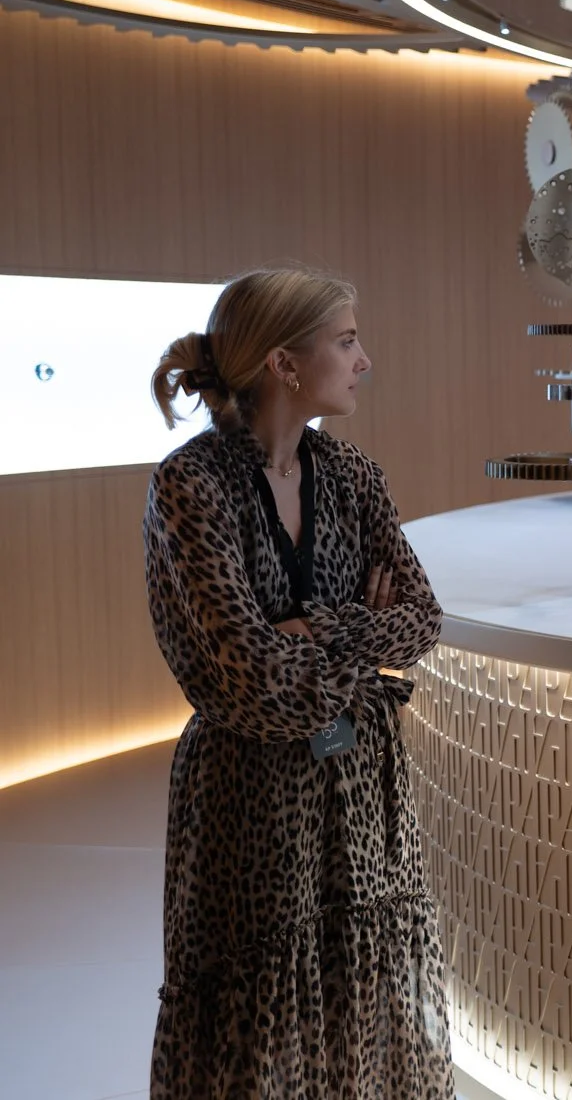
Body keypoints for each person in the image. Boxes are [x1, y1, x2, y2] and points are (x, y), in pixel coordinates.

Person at [143, 269, 451, 1097]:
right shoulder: (190, 486)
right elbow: (247, 681)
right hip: (247, 805)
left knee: (360, 1008)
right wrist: (355, 639)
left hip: (361, 791)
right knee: (256, 1037)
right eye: (346, 340)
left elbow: (422, 621)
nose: (364, 359)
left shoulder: (353, 476)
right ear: (283, 362)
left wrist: (316, 628)